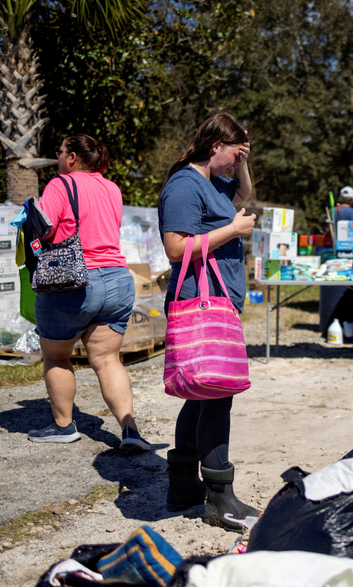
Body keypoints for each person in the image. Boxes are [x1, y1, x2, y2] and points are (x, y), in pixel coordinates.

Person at [158, 111, 260, 531]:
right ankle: (220, 497)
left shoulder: (213, 182)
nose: (237, 163)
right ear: (214, 146)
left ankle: (183, 486)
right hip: (200, 301)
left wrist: (245, 161)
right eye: (234, 153)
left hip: (218, 300)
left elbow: (244, 193)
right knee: (218, 395)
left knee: (202, 395)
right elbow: (176, 249)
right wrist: (233, 231)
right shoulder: (184, 184)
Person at [27, 135, 150, 452]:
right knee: (108, 359)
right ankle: (130, 430)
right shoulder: (112, 188)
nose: (58, 157)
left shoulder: (60, 184)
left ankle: (64, 426)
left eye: (60, 151)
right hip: (118, 280)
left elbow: (45, 229)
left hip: (75, 279)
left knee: (57, 355)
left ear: (71, 158)